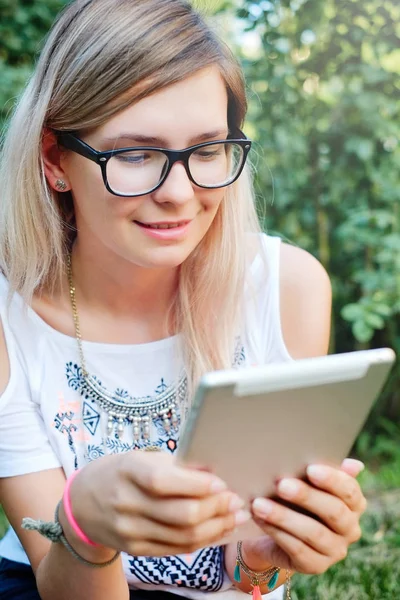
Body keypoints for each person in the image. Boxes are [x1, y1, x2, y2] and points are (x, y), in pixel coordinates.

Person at [0, 1, 367, 599]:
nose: (179, 193)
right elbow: (58, 583)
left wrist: (263, 557)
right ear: (54, 161)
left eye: (205, 151)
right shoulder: (9, 322)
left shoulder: (287, 289)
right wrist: (84, 522)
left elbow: (253, 577)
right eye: (135, 154)